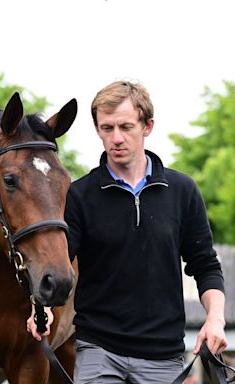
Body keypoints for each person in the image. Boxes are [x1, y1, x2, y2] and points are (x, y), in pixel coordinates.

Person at [27, 80, 227, 383]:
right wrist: (41, 308)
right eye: (107, 128)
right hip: (99, 352)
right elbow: (58, 261)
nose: (116, 138)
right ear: (97, 130)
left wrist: (215, 318)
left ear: (147, 126)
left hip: (164, 357)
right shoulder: (79, 195)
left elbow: (206, 265)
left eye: (126, 126)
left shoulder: (182, 191)